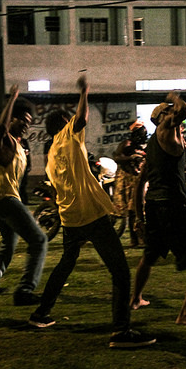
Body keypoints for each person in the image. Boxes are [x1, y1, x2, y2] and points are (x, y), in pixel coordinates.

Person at [29, 76, 155, 348]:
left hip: (71, 218)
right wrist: (84, 92)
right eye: (68, 121)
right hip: (91, 215)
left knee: (66, 264)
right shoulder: (67, 137)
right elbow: (81, 118)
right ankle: (121, 331)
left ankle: (40, 313)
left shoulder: (52, 153)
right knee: (120, 272)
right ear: (64, 125)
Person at [130, 92, 186, 325]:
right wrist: (173, 96)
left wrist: (139, 217)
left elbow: (140, 184)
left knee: (150, 255)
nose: (172, 113)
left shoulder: (155, 144)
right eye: (168, 111)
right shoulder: (165, 129)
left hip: (154, 206)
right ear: (162, 118)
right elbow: (184, 110)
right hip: (173, 205)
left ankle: (135, 299)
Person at [0, 85, 48, 305]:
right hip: (3, 198)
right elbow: (2, 126)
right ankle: (24, 291)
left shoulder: (19, 145)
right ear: (12, 119)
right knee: (39, 240)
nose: (26, 126)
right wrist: (12, 98)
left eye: (29, 123)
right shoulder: (1, 139)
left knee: (9, 243)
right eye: (22, 121)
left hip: (6, 198)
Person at [112, 121, 148, 247]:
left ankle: (139, 238)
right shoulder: (126, 144)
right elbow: (117, 157)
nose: (143, 136)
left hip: (138, 179)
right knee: (131, 211)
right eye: (142, 133)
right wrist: (131, 158)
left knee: (138, 209)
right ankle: (135, 239)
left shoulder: (143, 146)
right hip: (126, 180)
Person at [18, 137, 32, 205]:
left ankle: (24, 200)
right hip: (17, 165)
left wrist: (29, 164)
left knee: (24, 183)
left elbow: (27, 154)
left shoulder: (24, 141)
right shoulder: (12, 141)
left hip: (24, 164)